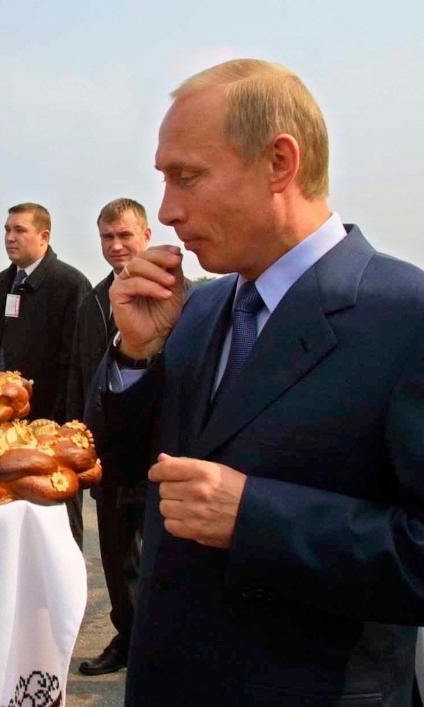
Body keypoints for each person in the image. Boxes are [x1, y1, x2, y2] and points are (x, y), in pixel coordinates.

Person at [86, 59, 424, 705]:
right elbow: (123, 473)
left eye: (187, 176)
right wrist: (134, 355)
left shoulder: (404, 314)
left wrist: (260, 517)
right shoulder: (202, 307)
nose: (168, 209)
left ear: (279, 163)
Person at [66, 198, 151, 676]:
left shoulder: (176, 295)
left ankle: (160, 643)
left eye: (125, 235)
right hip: (109, 456)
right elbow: (81, 373)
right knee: (117, 558)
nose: (116, 246)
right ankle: (127, 636)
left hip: (160, 453)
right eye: (107, 238)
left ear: (146, 235)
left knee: (165, 558)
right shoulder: (93, 301)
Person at [0, 202, 91, 546]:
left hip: (49, 428)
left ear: (44, 236)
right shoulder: (0, 285)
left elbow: (76, 363)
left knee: (57, 518)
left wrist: (59, 424)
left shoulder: (70, 285)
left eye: (19, 230)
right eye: (7, 230)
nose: (10, 238)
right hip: (4, 429)